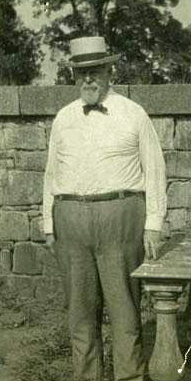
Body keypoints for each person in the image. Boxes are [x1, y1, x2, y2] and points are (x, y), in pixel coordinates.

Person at [43, 36, 166, 381]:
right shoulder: (63, 118)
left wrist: (153, 222)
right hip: (71, 221)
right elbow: (51, 172)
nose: (88, 79)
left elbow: (155, 169)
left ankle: (129, 377)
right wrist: (48, 224)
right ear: (74, 76)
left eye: (95, 70)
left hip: (121, 219)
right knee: (80, 315)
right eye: (81, 73)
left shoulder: (133, 113)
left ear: (109, 70)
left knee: (125, 312)